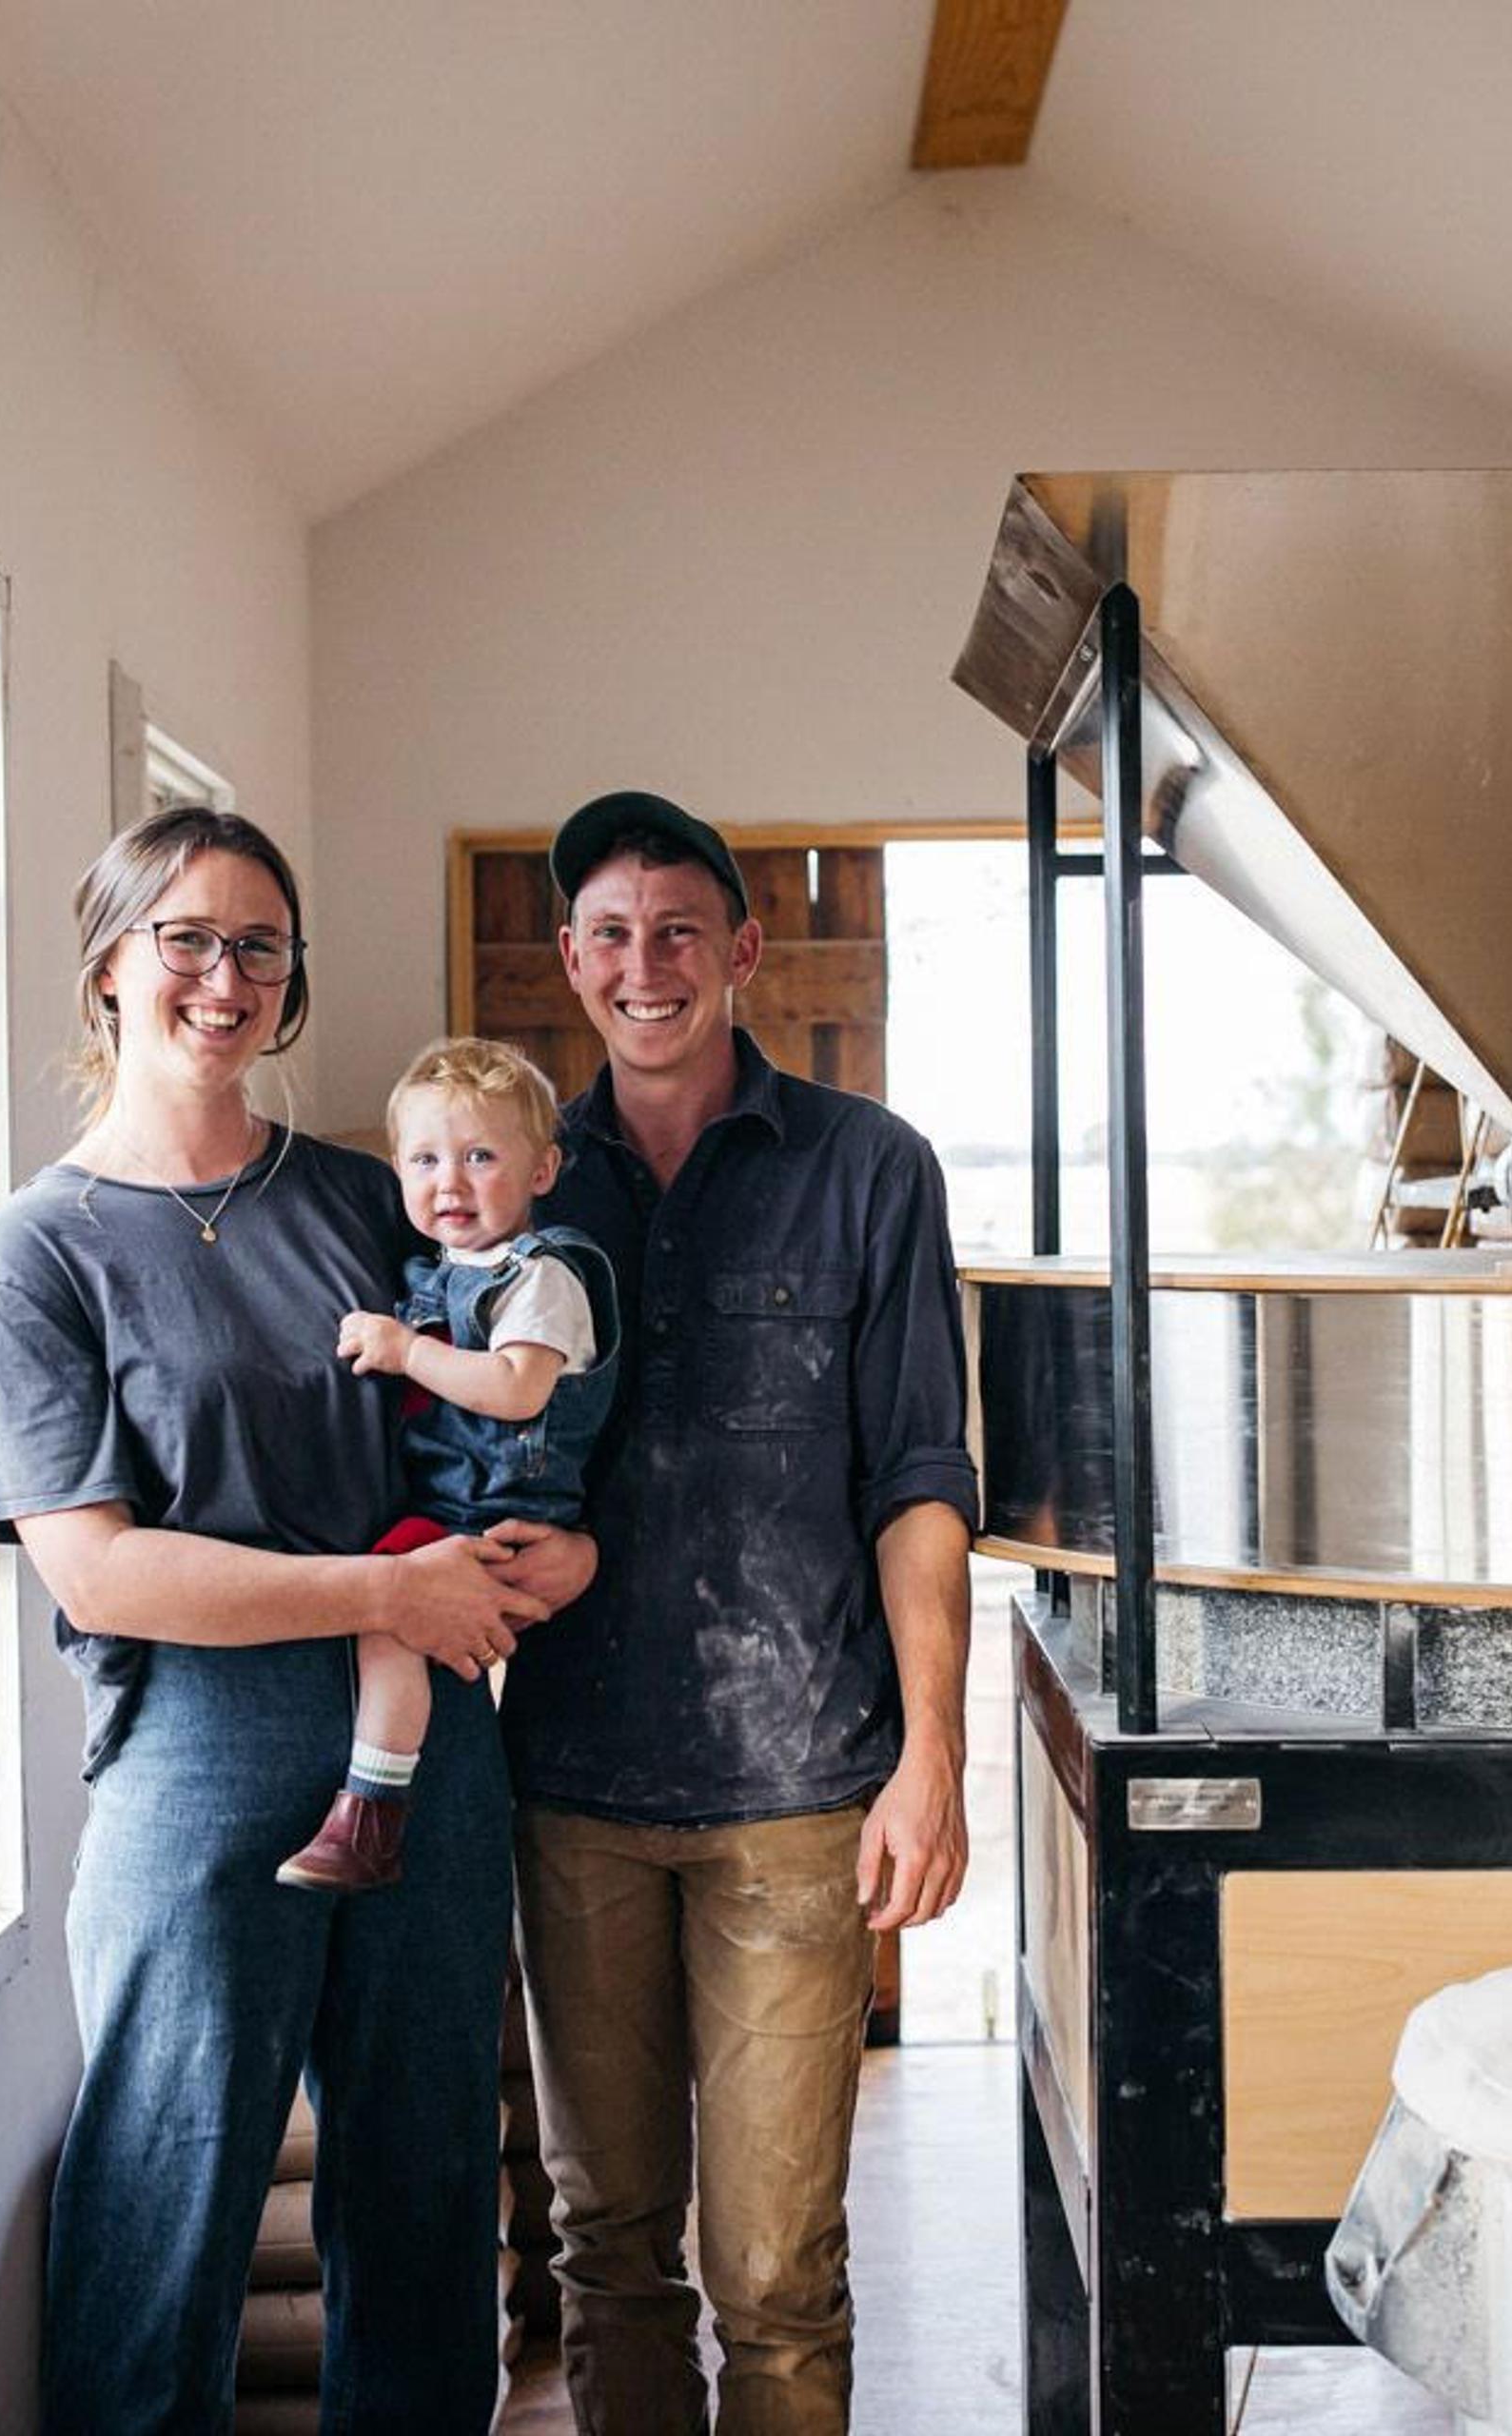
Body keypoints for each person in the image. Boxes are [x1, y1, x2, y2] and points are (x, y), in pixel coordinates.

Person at [0, 805, 587, 2432]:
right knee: (169, 2180)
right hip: (196, 1754)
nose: (226, 977)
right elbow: (99, 1570)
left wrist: (550, 1555)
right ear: (108, 968)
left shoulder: (372, 1202)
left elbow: (506, 1416)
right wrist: (388, 1591)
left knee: (429, 2178)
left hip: (427, 1735)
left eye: (261, 947)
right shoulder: (35, 1254)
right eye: (189, 940)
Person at [505, 789, 980, 2435]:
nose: (648, 968)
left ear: (746, 953)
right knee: (608, 2251)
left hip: (800, 1795)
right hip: (570, 1792)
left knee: (776, 2273)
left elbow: (921, 1477)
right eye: (615, 937)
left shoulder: (871, 1171)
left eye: (680, 931)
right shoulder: (516, 1188)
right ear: (573, 960)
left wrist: (936, 1760)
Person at [287, 1036, 619, 1892]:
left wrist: (403, 1351)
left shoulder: (542, 1276)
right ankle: (374, 1807)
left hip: (499, 1503)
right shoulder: (440, 1272)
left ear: (542, 1171)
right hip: (454, 1496)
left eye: (481, 1156)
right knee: (384, 1623)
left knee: (386, 1620)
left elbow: (514, 1389)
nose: (451, 1183)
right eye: (426, 1159)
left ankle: (372, 1811)